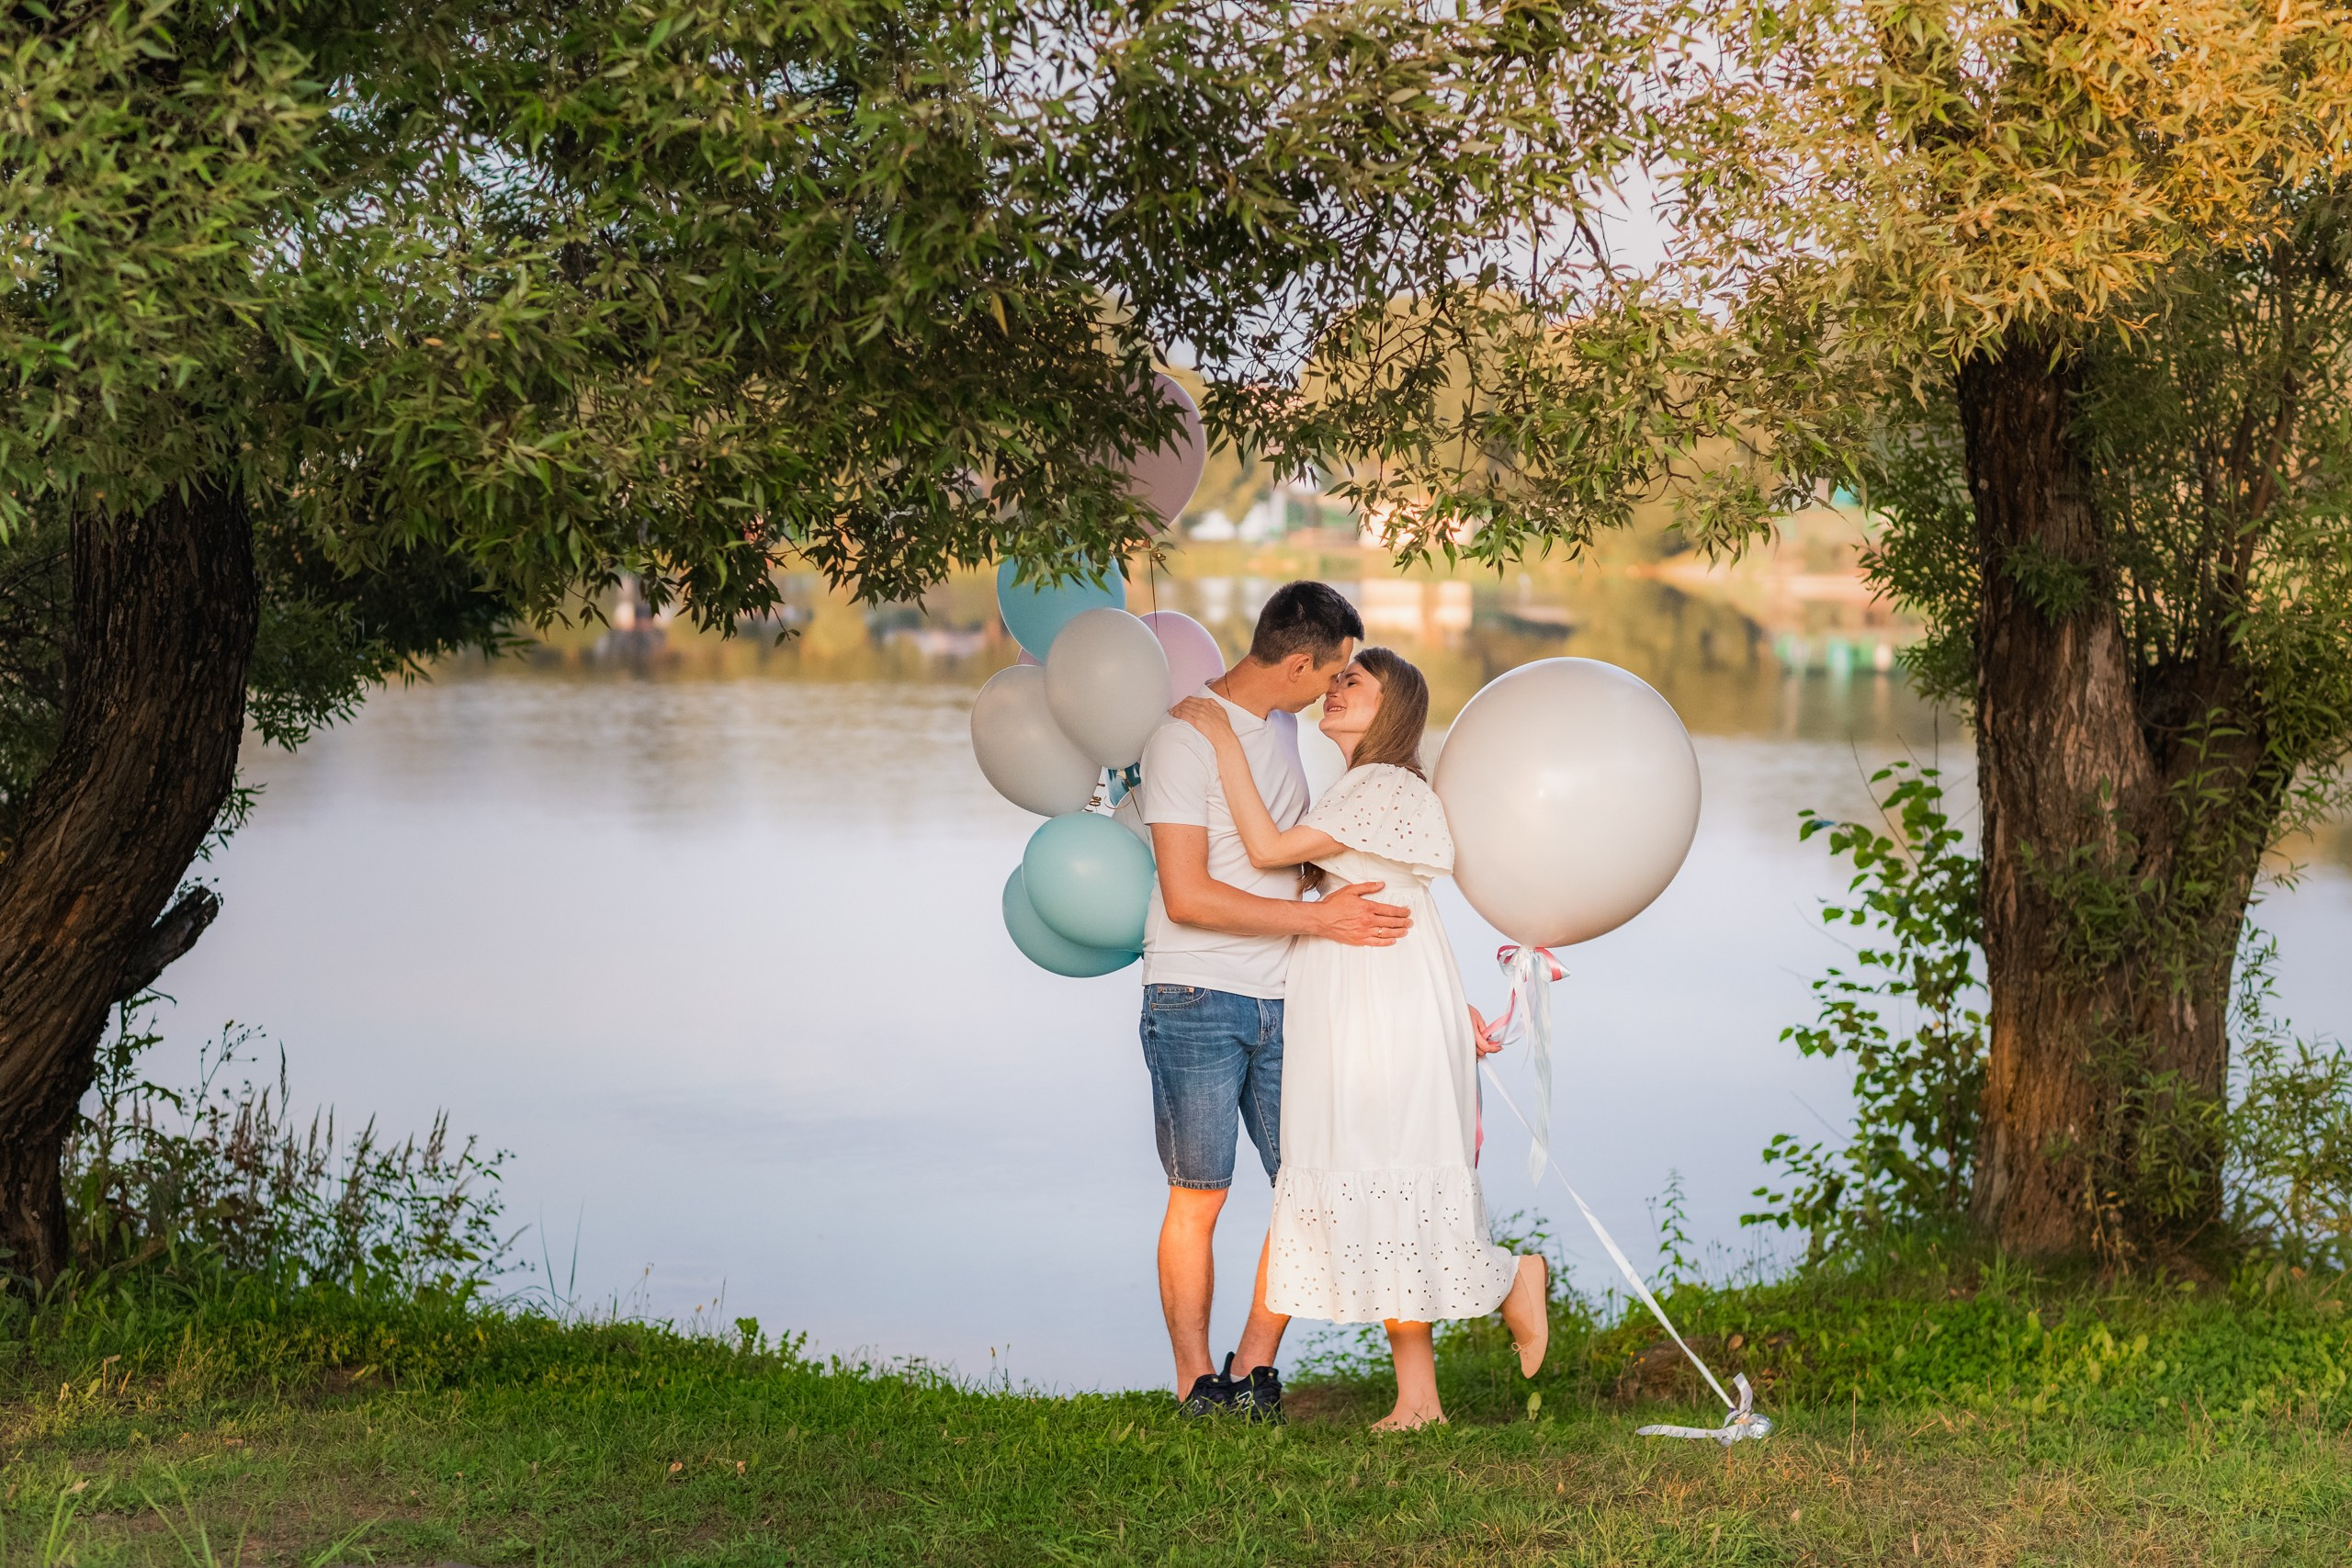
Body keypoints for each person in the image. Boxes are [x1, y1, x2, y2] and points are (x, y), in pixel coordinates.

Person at [1173, 646, 1550, 1430]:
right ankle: (1419, 1401)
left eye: (1355, 682)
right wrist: (1450, 1004)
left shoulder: (1381, 783)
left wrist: (1219, 737)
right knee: (1381, 1180)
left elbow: (1267, 849)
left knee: (1384, 1169)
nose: (1336, 689)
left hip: (1378, 1002)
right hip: (1371, 992)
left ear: (1392, 710)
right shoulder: (1363, 786)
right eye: (1337, 678)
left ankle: (1511, 1278)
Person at [1130, 581, 1413, 1420]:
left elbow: (1294, 858)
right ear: (1296, 664)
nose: (1334, 689)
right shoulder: (1183, 737)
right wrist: (1318, 918)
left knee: (1309, 1185)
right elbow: (1187, 895)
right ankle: (1196, 1385)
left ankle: (1252, 1370)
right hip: (1196, 990)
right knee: (1200, 1193)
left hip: (1289, 994)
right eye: (1331, 673)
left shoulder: (1288, 729)